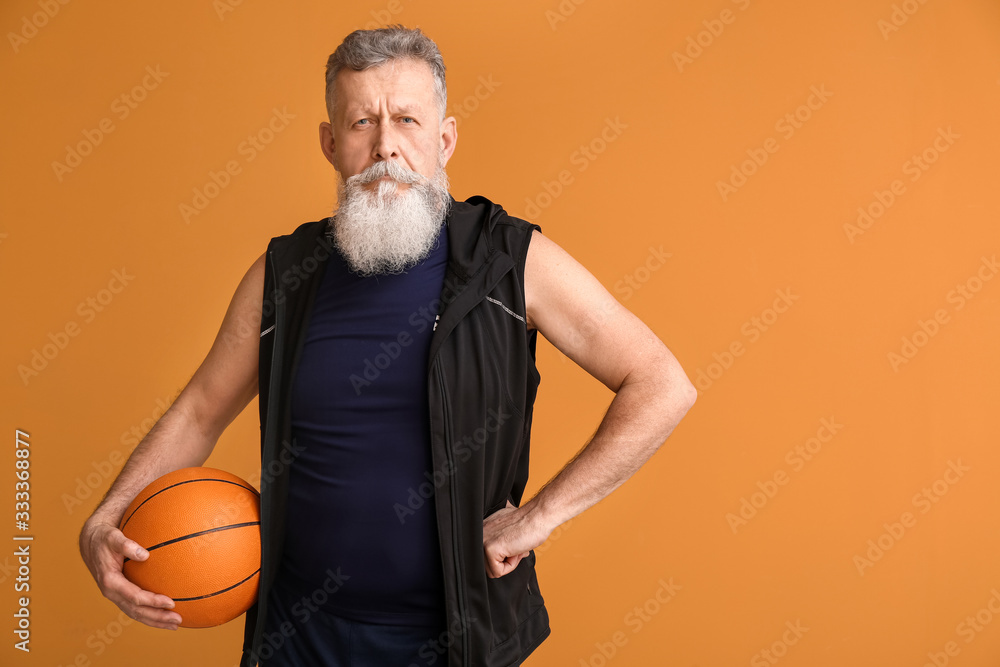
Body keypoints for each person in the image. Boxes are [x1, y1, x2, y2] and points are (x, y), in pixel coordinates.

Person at [78, 25, 698, 667]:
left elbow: (660, 381)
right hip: (297, 641)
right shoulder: (281, 276)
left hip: (455, 645)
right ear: (329, 143)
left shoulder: (510, 261)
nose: (385, 148)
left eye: (407, 119)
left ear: (445, 139)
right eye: (361, 123)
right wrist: (106, 518)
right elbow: (200, 411)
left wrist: (541, 514)